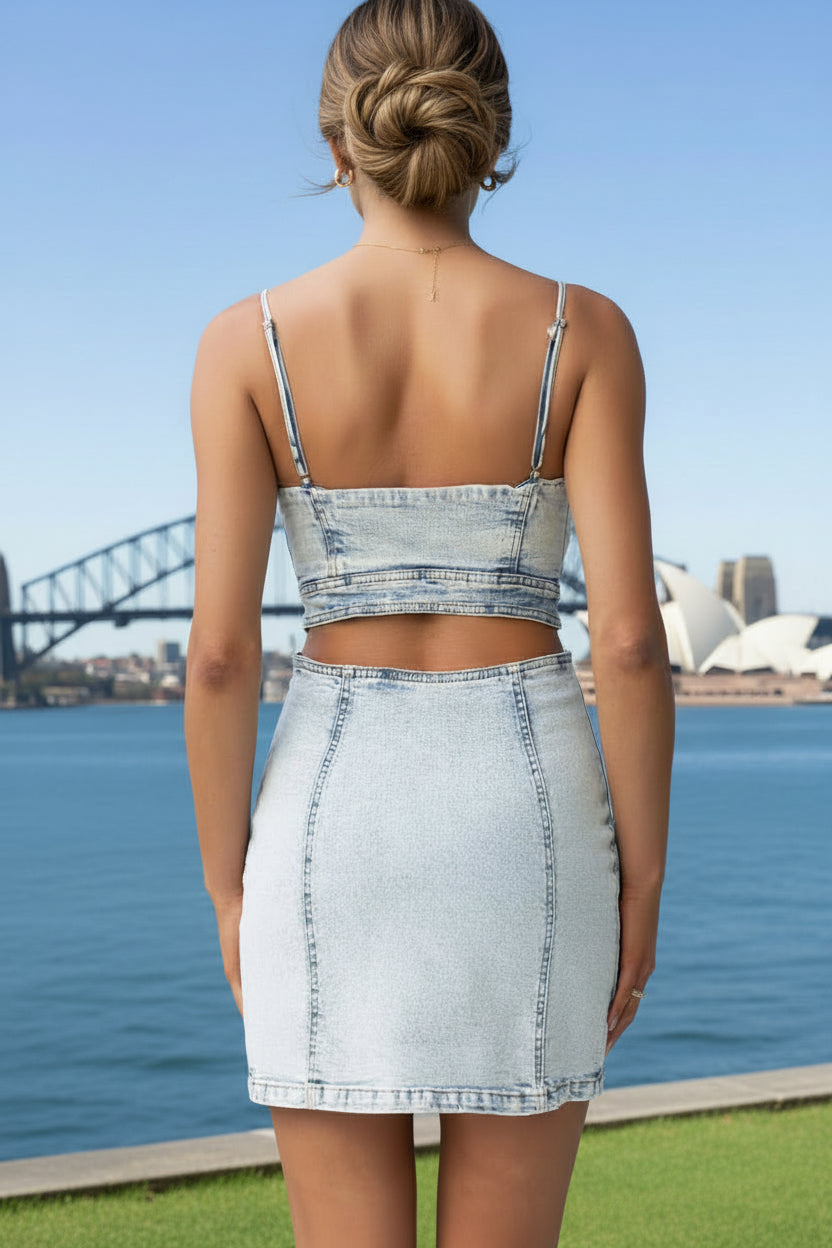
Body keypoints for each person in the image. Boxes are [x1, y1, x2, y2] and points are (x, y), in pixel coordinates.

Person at [184, 1, 675, 1244]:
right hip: (533, 814)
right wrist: (644, 885)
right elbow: (626, 644)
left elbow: (221, 655)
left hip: (327, 816)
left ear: (336, 137)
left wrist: (229, 891)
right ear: (490, 131)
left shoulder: (245, 343)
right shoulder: (586, 331)